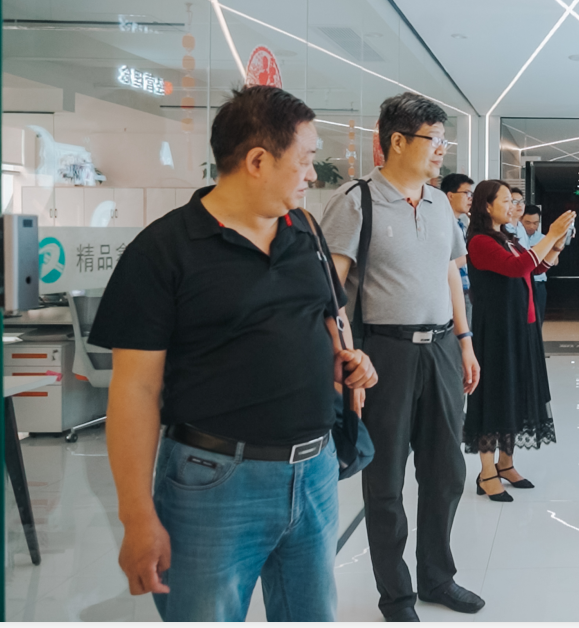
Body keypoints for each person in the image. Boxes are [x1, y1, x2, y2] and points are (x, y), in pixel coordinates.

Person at [89, 86, 377, 621]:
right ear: (258, 161)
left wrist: (352, 359)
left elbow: (329, 318)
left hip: (314, 474)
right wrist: (136, 516)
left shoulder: (305, 231)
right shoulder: (163, 251)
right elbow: (135, 390)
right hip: (213, 483)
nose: (313, 175)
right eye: (306, 160)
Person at [322, 92, 484, 622]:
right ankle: (396, 596)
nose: (441, 150)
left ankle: (438, 577)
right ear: (397, 141)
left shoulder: (439, 204)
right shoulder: (357, 200)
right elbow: (331, 291)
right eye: (434, 140)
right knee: (386, 480)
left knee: (446, 472)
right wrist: (346, 359)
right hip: (383, 354)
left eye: (443, 141)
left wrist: (465, 342)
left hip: (441, 349)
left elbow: (451, 274)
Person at [463, 181, 575, 500]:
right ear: (487, 206)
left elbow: (535, 267)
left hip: (520, 327)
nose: (513, 207)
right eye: (507, 201)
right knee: (493, 399)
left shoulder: (507, 238)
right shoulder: (480, 241)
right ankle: (487, 473)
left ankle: (506, 463)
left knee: (514, 396)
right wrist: (550, 235)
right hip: (496, 332)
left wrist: (556, 244)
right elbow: (517, 267)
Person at [442, 173, 475, 324]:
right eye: (466, 193)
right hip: (451, 290)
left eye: (471, 194)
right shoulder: (442, 224)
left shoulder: (460, 224)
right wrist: (473, 254)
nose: (470, 198)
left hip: (466, 288)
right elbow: (448, 263)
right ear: (450, 196)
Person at [518, 204, 549, 324]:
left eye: (535, 223)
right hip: (521, 283)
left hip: (538, 283)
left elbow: (554, 260)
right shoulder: (514, 237)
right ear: (521, 219)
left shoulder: (544, 238)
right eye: (528, 222)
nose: (532, 226)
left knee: (538, 318)